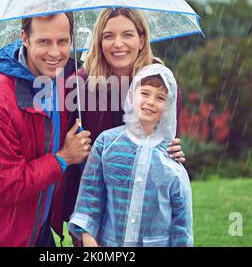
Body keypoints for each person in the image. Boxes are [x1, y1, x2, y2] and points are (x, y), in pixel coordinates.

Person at [0, 12, 92, 247]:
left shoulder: (56, 83)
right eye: (44, 41)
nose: (55, 52)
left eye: (62, 41)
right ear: (25, 38)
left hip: (37, 234)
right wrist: (64, 157)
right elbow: (6, 186)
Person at [51, 8, 186, 245]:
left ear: (142, 39)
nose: (118, 44)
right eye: (108, 36)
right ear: (99, 41)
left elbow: (167, 141)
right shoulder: (79, 86)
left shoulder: (159, 83)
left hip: (143, 212)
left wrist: (174, 152)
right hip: (90, 209)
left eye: (127, 35)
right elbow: (62, 146)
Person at [68, 63, 193, 247]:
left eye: (160, 98)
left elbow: (181, 223)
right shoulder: (106, 143)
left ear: (168, 107)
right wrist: (89, 239)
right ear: (131, 95)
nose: (150, 101)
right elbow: (90, 197)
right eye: (144, 93)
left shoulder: (171, 156)